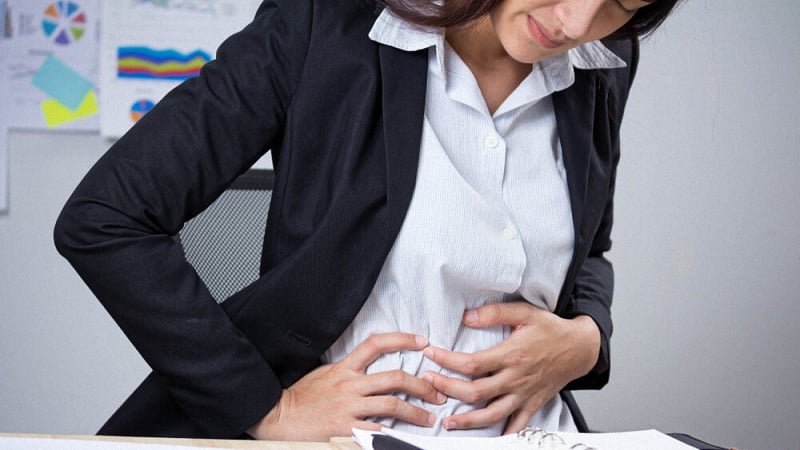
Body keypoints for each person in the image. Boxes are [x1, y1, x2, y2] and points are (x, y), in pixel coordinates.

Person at [54, 0, 682, 442]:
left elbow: (589, 248)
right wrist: (269, 408)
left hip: (534, 438)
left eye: (623, 2)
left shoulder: (601, 59)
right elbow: (107, 217)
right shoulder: (325, 21)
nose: (578, 21)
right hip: (353, 440)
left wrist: (585, 339)